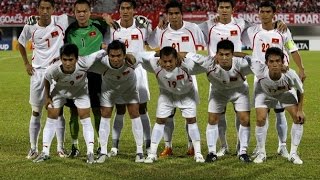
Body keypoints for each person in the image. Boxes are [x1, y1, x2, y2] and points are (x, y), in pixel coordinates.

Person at [198, 0, 287, 157]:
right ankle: (223, 146)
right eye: (221, 7)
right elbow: (187, 29)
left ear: (233, 9)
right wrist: (164, 19)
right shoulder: (207, 25)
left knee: (242, 115)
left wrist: (277, 22)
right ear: (217, 9)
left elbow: (263, 24)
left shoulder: (241, 24)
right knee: (219, 114)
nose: (224, 10)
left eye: (227, 7)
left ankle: (241, 147)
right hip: (217, 75)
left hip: (238, 73)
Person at [242, 0, 306, 159]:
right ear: (258, 13)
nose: (264, 15)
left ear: (273, 14)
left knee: (282, 113)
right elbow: (234, 26)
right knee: (262, 117)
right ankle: (260, 150)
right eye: (261, 11)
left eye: (268, 12)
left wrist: (301, 68)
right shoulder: (252, 31)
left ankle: (284, 147)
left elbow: (292, 48)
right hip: (262, 79)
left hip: (283, 78)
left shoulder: (282, 31)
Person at [147, 0, 206, 157]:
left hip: (188, 78)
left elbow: (202, 51)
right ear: (167, 15)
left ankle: (191, 146)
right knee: (168, 114)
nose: (173, 17)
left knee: (189, 115)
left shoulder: (193, 29)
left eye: (176, 13)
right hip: (167, 78)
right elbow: (151, 46)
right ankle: (168, 146)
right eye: (170, 14)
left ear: (182, 14)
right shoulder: (161, 31)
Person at [32, 43, 107, 163]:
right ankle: (45, 152)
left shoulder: (85, 62)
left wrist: (106, 49)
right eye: (64, 59)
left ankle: (90, 153)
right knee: (51, 117)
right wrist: (47, 97)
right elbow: (46, 79)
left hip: (80, 92)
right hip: (59, 92)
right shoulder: (53, 68)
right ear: (60, 58)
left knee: (85, 118)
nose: (67, 63)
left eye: (71, 59)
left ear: (77, 58)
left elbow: (99, 53)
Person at [18, 0, 69, 159]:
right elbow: (21, 43)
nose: (45, 11)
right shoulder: (30, 26)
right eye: (42, 8)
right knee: (36, 111)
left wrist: (105, 18)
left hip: (56, 72)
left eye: (48, 8)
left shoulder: (61, 21)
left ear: (53, 9)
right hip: (38, 73)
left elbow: (84, 16)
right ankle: (33, 148)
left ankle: (60, 147)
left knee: (58, 112)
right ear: (38, 9)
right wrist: (26, 63)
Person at [136, 46, 205, 163]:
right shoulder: (154, 63)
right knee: (160, 120)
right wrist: (154, 53)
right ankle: (152, 154)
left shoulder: (187, 65)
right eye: (164, 61)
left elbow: (205, 62)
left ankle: (198, 153)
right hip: (167, 95)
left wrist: (187, 54)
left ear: (176, 59)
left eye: (170, 61)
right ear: (160, 60)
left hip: (186, 95)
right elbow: (138, 55)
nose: (167, 64)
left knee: (191, 120)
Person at [239, 47, 305, 164]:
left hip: (285, 94)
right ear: (266, 63)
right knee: (260, 119)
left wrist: (300, 110)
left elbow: (301, 91)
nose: (275, 64)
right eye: (271, 61)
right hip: (265, 94)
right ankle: (261, 153)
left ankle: (293, 154)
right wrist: (226, 54)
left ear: (282, 62)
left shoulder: (291, 74)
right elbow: (245, 56)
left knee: (298, 119)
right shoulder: (259, 67)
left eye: (278, 61)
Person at [103, 0, 152, 157]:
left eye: (128, 8)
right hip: (119, 73)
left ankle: (148, 144)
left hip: (139, 71)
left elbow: (155, 37)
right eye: (122, 8)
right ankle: (115, 146)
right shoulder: (112, 27)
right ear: (119, 10)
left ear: (133, 10)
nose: (125, 11)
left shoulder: (142, 26)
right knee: (120, 109)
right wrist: (104, 17)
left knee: (142, 108)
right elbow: (104, 45)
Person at [64, 0, 112, 157]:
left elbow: (113, 26)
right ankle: (74, 146)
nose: (82, 14)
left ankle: (100, 145)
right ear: (75, 12)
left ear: (89, 12)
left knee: (98, 110)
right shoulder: (70, 30)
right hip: (75, 75)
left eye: (85, 11)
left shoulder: (99, 25)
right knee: (74, 112)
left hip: (96, 75)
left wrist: (106, 17)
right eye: (78, 11)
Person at [193, 40, 252, 163]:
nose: (224, 58)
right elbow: (187, 55)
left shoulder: (241, 64)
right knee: (212, 119)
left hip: (239, 92)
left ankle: (243, 152)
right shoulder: (208, 63)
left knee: (244, 119)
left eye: (227, 54)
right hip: (218, 92)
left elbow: (258, 61)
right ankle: (211, 152)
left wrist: (243, 54)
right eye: (221, 54)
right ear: (216, 54)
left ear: (232, 54)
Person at [94, 40, 144, 163]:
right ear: (108, 55)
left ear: (124, 55)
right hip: (109, 91)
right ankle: (103, 152)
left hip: (129, 90)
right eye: (112, 56)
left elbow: (150, 57)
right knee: (105, 115)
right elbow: (83, 64)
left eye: (118, 56)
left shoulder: (132, 60)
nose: (115, 59)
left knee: (134, 114)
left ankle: (140, 152)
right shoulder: (101, 63)